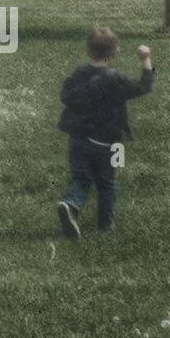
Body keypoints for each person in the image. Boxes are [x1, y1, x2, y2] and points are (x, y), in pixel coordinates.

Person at [56, 26, 155, 237]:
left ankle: (70, 203)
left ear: (88, 51)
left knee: (81, 179)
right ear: (115, 52)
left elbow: (65, 96)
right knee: (108, 183)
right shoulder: (115, 79)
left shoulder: (79, 74)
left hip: (78, 141)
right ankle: (105, 228)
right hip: (110, 143)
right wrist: (145, 59)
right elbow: (145, 87)